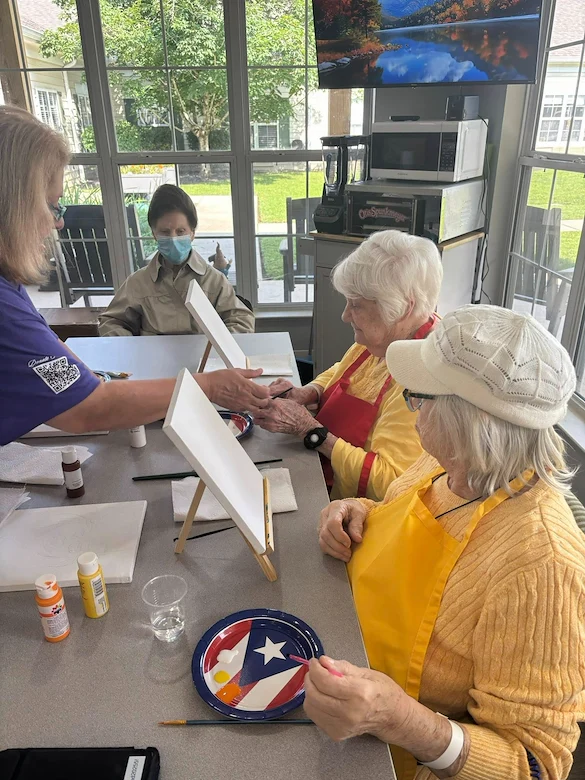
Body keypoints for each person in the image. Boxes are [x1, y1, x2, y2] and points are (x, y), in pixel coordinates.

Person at [308, 305, 585, 780]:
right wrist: (357, 511)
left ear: (467, 423)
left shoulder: (541, 565)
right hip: (340, 649)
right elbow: (404, 517)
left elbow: (537, 765)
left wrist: (399, 719)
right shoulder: (450, 462)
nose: (405, 399)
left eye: (416, 395)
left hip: (390, 752)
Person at [0, 106, 269, 445]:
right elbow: (85, 408)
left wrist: (83, 378)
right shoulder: (6, 309)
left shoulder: (10, 289)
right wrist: (210, 386)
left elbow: (54, 368)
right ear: (14, 206)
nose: (59, 223)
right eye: (53, 206)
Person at [255, 230, 443, 501]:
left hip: (353, 511)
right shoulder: (395, 333)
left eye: (356, 305)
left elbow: (391, 483)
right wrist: (310, 391)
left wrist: (310, 431)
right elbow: (344, 369)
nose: (345, 315)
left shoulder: (421, 380)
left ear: (403, 309)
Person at [98, 184, 254, 336]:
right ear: (154, 234)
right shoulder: (137, 283)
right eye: (165, 232)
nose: (173, 238)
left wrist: (217, 347)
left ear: (192, 233)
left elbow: (241, 321)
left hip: (203, 359)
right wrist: (134, 349)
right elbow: (111, 322)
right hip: (152, 360)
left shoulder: (214, 280)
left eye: (181, 231)